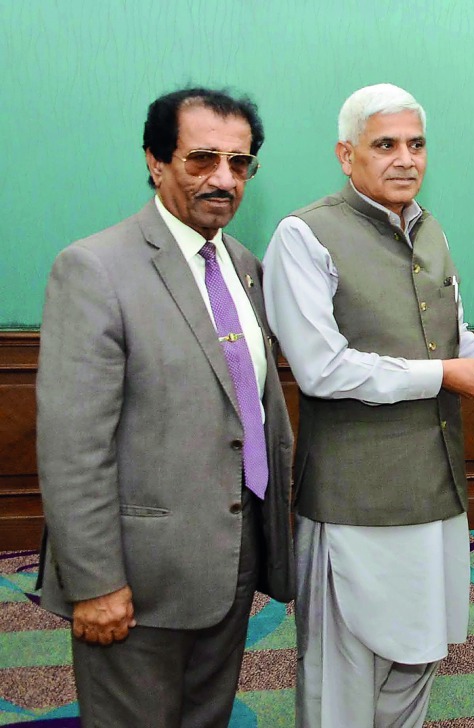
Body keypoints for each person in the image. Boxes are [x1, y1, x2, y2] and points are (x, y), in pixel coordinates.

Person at [36, 87, 295, 727]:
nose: (223, 179)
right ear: (155, 161)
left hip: (231, 557)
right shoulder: (95, 268)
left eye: (240, 163)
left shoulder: (243, 265)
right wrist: (95, 582)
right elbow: (73, 448)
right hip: (136, 579)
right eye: (201, 159)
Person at [263, 83, 474, 727]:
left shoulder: (431, 231)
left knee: (418, 656)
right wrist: (444, 374)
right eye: (385, 145)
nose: (406, 159)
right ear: (346, 155)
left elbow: (456, 341)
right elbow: (322, 369)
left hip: (436, 487)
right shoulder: (303, 235)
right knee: (343, 672)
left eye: (417, 144)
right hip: (354, 496)